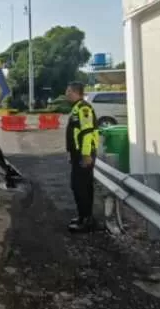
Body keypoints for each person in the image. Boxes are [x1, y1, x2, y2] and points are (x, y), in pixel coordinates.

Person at [64, 81, 100, 233]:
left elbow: (87, 133)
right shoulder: (76, 108)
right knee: (80, 186)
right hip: (77, 154)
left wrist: (85, 155)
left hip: (84, 154)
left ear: (75, 92)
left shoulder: (84, 108)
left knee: (81, 187)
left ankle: (86, 221)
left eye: (68, 91)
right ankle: (83, 216)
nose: (66, 94)